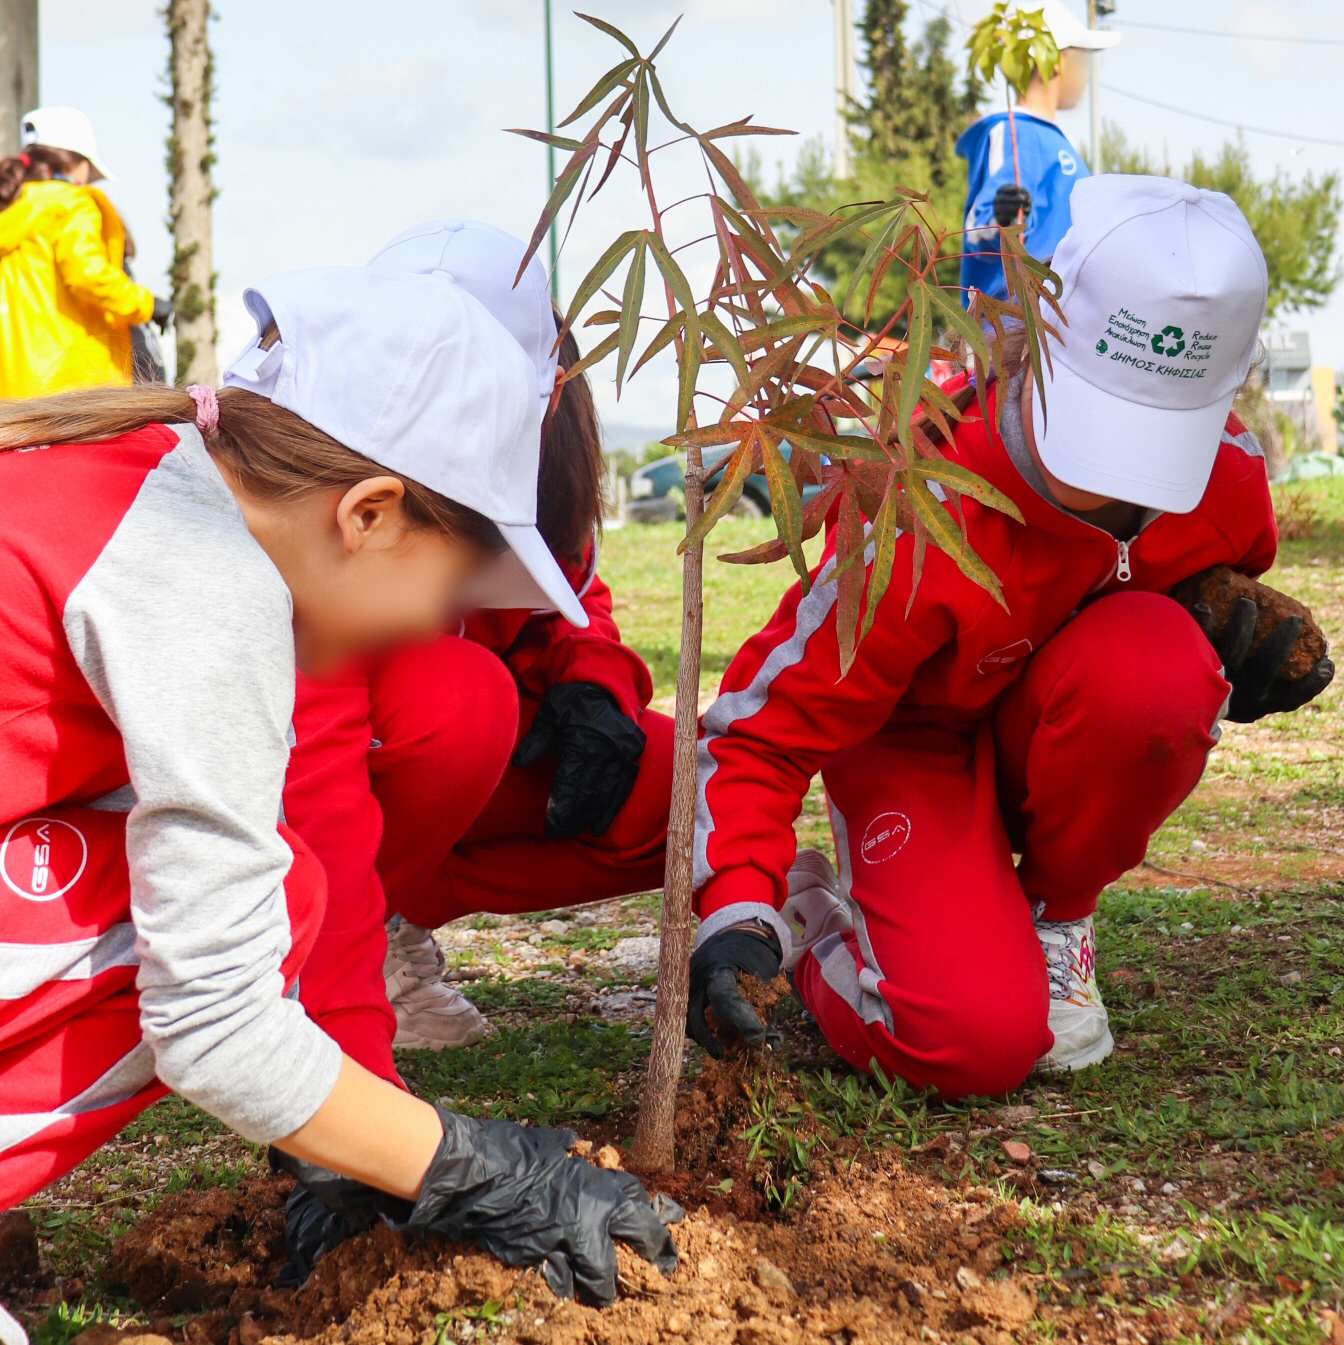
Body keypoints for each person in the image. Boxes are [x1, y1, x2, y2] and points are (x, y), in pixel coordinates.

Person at [0, 264, 677, 1308]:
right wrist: (483, 1168)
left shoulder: (148, 471)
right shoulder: (201, 581)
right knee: (243, 909)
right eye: (448, 586)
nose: (433, 630)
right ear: (367, 513)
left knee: (268, 882)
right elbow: (214, 1020)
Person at [686, 175, 1333, 1098]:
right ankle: (825, 916)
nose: (1126, 487)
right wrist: (738, 905)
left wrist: (1223, 620)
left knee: (1161, 666)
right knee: (965, 1045)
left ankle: (1053, 917)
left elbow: (1196, 583)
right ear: (1036, 339)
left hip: (1053, 713)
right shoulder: (926, 502)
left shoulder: (1225, 482)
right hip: (913, 738)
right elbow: (758, 727)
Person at [283, 219, 672, 1069]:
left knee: (687, 785)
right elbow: (312, 735)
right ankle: (329, 940)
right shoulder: (316, 498)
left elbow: (572, 601)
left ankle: (391, 906)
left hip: (440, 793)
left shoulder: (540, 473)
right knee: (458, 696)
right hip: (320, 790)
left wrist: (594, 686)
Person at [955, 0, 1119, 306]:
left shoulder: (1053, 140)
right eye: (1082, 59)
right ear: (1055, 61)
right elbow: (980, 228)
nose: (1086, 72)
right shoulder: (1013, 132)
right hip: (1014, 329)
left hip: (1050, 322)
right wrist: (1000, 217)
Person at [0, 106, 171, 397]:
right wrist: (147, 304)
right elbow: (87, 274)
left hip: (15, 392)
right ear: (77, 163)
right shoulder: (73, 204)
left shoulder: (12, 210)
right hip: (73, 388)